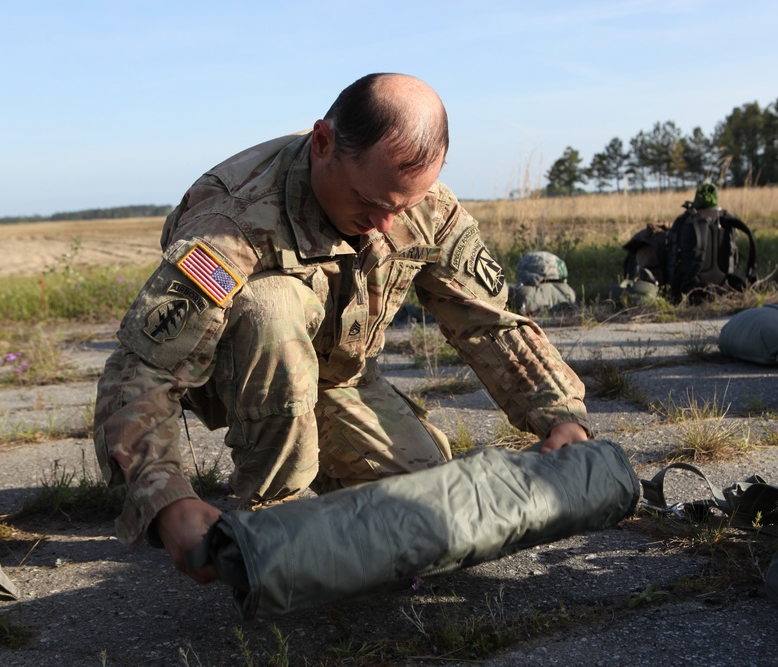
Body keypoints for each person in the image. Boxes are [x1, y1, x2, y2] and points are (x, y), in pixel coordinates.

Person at [93, 73, 590, 583]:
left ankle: (321, 463)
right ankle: (269, 515)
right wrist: (166, 500)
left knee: (425, 511)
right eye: (369, 202)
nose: (385, 226)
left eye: (402, 206)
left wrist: (559, 416)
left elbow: (489, 320)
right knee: (274, 307)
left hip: (339, 377)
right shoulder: (233, 221)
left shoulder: (421, 205)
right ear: (323, 143)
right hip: (238, 372)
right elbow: (143, 370)